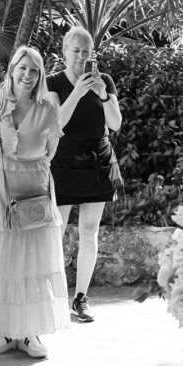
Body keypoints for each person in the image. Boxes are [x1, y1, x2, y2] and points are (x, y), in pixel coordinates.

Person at [0, 45, 69, 358]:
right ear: (11, 70)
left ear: (40, 76)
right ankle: (3, 330)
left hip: (32, 189)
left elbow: (50, 151)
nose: (27, 75)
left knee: (30, 257)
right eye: (22, 68)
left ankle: (29, 332)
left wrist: (26, 169)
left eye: (34, 70)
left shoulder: (48, 108)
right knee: (0, 256)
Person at [47, 26, 122, 322]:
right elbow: (56, 124)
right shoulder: (52, 82)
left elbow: (115, 124)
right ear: (65, 52)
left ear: (93, 54)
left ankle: (81, 299)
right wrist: (77, 92)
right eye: (75, 51)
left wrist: (103, 95)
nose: (81, 57)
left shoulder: (104, 81)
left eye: (86, 51)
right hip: (63, 160)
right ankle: (53, 297)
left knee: (89, 232)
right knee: (57, 231)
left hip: (98, 162)